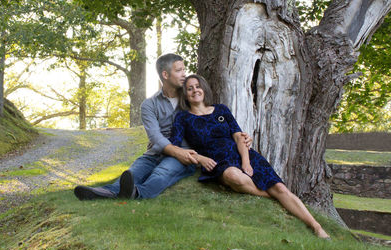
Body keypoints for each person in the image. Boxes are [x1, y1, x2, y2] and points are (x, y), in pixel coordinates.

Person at [170, 74, 330, 239]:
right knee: (234, 176)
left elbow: (239, 137)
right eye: (190, 88)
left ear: (204, 88)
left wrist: (246, 163)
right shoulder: (183, 117)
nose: (195, 90)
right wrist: (200, 158)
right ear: (185, 95)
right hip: (218, 161)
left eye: (197, 86)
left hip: (242, 154)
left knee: (281, 188)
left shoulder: (221, 110)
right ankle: (272, 197)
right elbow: (174, 146)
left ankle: (316, 226)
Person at [74, 54, 252, 200]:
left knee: (162, 173)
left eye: (184, 69)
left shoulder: (191, 95)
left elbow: (213, 119)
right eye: (179, 70)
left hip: (185, 155)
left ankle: (138, 193)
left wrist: (241, 137)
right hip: (156, 151)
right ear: (165, 75)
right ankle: (105, 193)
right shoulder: (149, 104)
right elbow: (155, 137)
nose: (184, 74)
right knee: (132, 172)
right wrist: (175, 151)